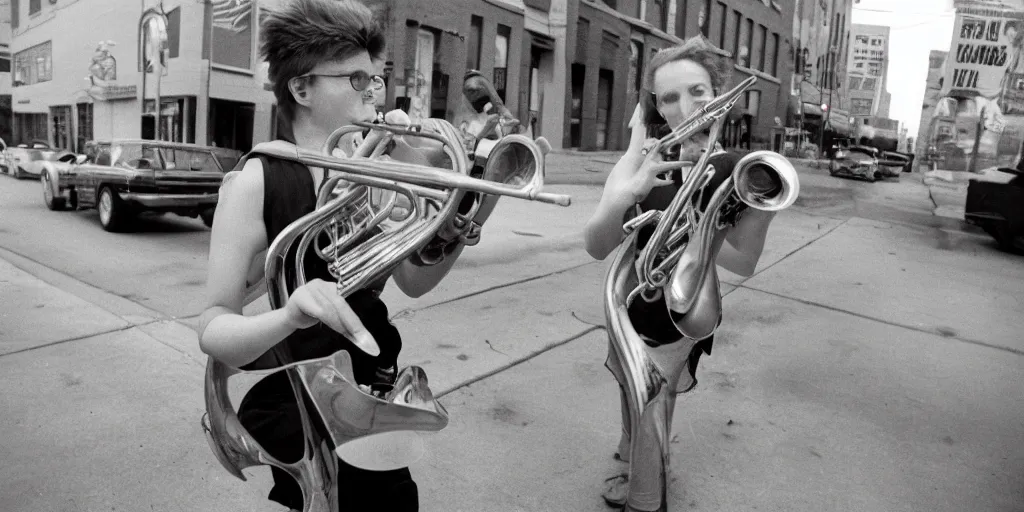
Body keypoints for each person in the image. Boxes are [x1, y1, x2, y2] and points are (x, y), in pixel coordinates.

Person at [198, 1, 480, 510]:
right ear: (301, 88)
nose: (374, 92)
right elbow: (214, 328)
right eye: (355, 79)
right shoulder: (257, 179)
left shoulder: (373, 174)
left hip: (372, 384)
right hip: (302, 402)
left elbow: (415, 283)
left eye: (375, 79)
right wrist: (289, 313)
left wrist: (465, 211)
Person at [583, 36, 780, 512]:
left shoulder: (740, 170)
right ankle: (632, 453)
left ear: (720, 94)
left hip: (681, 305)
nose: (685, 105)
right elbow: (597, 244)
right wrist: (628, 187)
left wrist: (709, 219)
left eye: (697, 91)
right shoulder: (645, 158)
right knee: (628, 380)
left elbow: (743, 264)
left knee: (654, 395)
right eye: (669, 97)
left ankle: (646, 493)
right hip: (627, 296)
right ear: (656, 107)